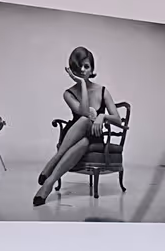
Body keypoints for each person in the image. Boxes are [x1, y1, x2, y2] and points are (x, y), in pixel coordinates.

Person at [34, 46, 124, 207]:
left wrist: (102, 116)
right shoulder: (68, 93)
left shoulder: (102, 91)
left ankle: (50, 175)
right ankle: (49, 183)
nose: (82, 70)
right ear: (73, 70)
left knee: (86, 129)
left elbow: (117, 120)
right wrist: (82, 83)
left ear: (92, 68)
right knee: (84, 126)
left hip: (95, 134)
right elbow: (84, 112)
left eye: (86, 66)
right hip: (72, 135)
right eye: (78, 67)